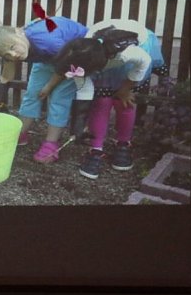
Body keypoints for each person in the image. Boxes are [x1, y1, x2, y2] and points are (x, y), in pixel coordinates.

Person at [0, 17, 105, 163]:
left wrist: (49, 86)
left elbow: (64, 66)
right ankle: (20, 133)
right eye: (7, 55)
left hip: (74, 59)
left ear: (18, 32)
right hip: (48, 58)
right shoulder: (14, 45)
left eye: (12, 47)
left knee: (58, 99)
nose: (14, 55)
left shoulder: (48, 41)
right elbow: (6, 76)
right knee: (32, 94)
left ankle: (51, 144)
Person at [71, 19, 168, 179]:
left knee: (124, 101)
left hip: (130, 53)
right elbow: (84, 91)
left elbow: (144, 62)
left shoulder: (129, 53)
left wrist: (125, 89)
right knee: (101, 102)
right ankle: (96, 149)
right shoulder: (82, 59)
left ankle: (124, 143)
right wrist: (79, 124)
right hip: (104, 53)